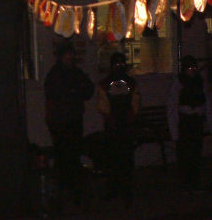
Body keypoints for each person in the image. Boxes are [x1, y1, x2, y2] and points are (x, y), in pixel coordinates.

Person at [43, 42, 94, 208]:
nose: (70, 58)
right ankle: (63, 190)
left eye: (72, 55)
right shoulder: (55, 74)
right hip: (59, 121)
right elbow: (56, 95)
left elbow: (87, 90)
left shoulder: (76, 72)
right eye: (67, 55)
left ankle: (73, 190)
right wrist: (73, 92)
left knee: (73, 154)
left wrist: (78, 90)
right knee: (63, 155)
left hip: (73, 119)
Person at [96, 51, 140, 204]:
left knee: (127, 159)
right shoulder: (104, 84)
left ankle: (126, 189)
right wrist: (111, 119)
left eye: (122, 64)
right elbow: (102, 106)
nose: (119, 67)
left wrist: (130, 119)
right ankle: (114, 189)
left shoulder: (132, 83)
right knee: (112, 158)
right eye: (116, 64)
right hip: (113, 126)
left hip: (126, 126)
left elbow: (136, 104)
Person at [167, 55, 212, 190]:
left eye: (194, 67)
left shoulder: (200, 82)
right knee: (184, 153)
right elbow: (172, 107)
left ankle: (194, 180)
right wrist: (174, 132)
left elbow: (207, 105)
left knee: (196, 152)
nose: (192, 70)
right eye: (189, 67)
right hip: (184, 122)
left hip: (196, 121)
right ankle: (185, 181)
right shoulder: (178, 82)